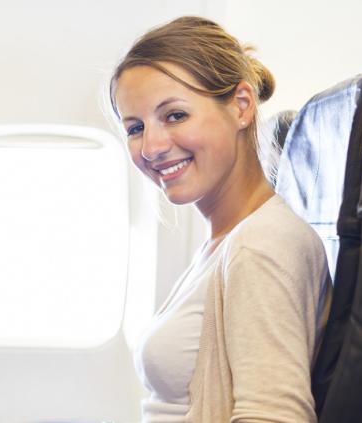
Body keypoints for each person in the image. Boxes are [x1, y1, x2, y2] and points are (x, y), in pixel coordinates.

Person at [108, 16, 332, 422]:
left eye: (175, 115)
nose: (152, 146)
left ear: (241, 106)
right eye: (135, 127)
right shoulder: (225, 241)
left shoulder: (261, 246)